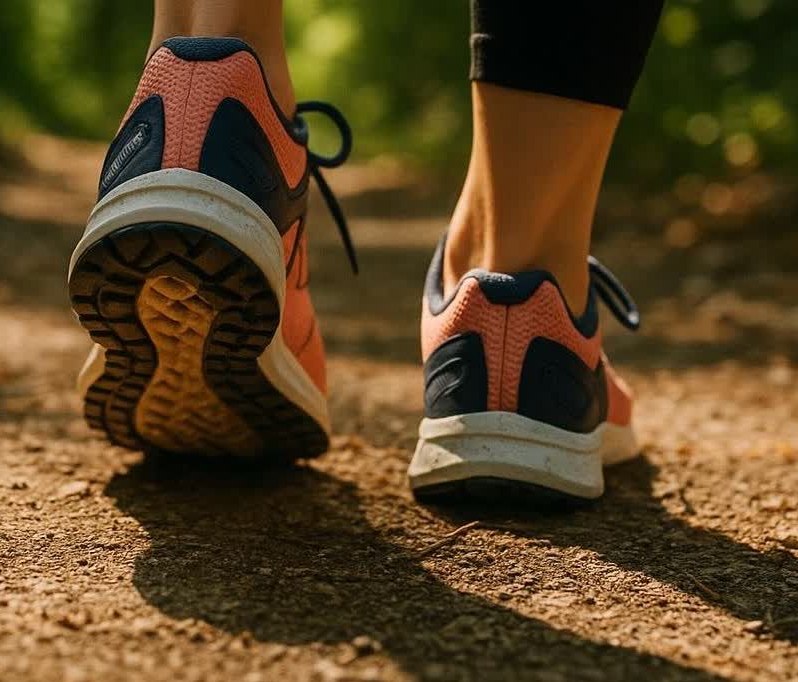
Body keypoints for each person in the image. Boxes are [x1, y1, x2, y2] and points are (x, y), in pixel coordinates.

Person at [66, 1, 663, 504]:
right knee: (524, 253)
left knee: (216, 29)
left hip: (168, 124)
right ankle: (528, 299)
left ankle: (202, 110)